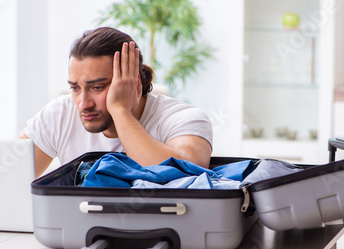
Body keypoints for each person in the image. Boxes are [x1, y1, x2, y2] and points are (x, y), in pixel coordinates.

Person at [19, 26, 213, 178]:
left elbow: (184, 175)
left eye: (97, 87)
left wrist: (120, 110)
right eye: (75, 88)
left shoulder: (185, 119)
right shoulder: (59, 114)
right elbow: (4, 179)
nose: (83, 104)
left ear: (134, 83)